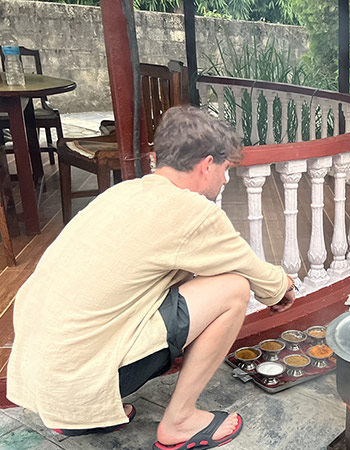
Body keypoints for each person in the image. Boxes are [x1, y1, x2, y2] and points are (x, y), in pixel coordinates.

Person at [7, 106, 296, 450]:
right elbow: (263, 280)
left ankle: (82, 416)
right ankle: (180, 422)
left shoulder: (121, 193)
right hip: (78, 382)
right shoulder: (191, 211)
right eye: (226, 169)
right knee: (234, 288)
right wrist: (286, 287)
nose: (225, 179)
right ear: (207, 165)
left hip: (40, 381)